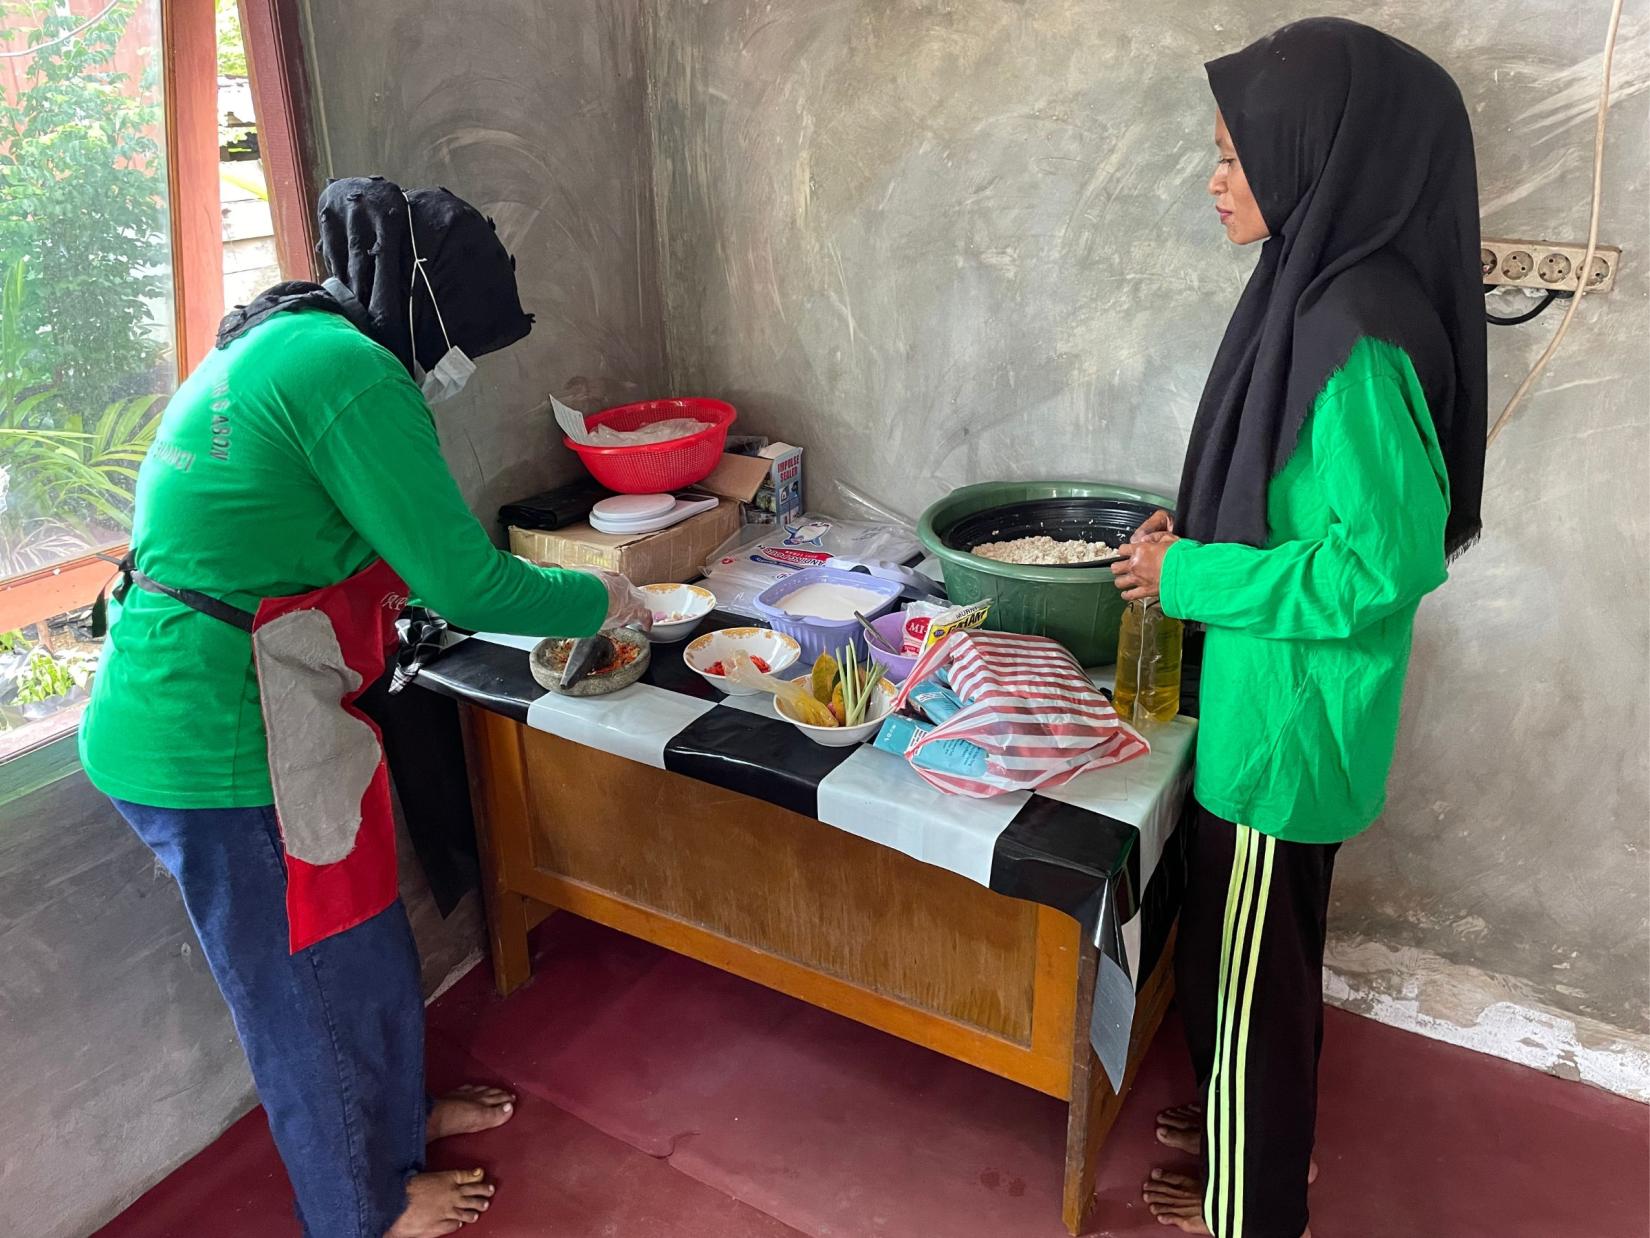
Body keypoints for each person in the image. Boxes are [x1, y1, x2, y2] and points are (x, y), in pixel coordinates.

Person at [80, 176, 652, 1237]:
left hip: (267, 712)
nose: (457, 370)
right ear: (428, 311)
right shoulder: (350, 370)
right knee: (307, 990)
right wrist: (604, 591)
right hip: (218, 734)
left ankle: (393, 1120)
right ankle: (364, 1205)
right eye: (463, 345)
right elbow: (469, 585)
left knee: (364, 944)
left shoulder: (290, 341)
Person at [1109, 19, 1486, 1238]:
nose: (1214, 182)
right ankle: (1240, 1132)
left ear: (1315, 157)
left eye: (1235, 157)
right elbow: (1285, 494)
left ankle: (1251, 1205)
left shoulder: (1355, 330)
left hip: (1289, 728)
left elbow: (1380, 566)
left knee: (1256, 983)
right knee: (1238, 958)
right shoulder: (1307, 288)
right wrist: (1200, 538)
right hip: (1267, 708)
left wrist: (1186, 578)